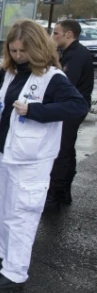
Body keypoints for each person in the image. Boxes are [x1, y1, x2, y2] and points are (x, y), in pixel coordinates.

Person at [0, 20, 88, 289]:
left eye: (23, 51)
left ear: (36, 47)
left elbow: (78, 107)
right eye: (14, 51)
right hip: (8, 152)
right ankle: (4, 255)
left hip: (32, 160)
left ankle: (15, 272)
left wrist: (36, 111)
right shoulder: (12, 72)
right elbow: (5, 104)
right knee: (2, 209)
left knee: (21, 214)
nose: (18, 56)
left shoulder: (53, 77)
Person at [46, 20, 94, 210]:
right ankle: (63, 192)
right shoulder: (73, 52)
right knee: (67, 149)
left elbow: (66, 84)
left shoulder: (75, 55)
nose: (53, 36)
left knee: (62, 150)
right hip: (74, 108)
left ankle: (55, 195)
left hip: (70, 110)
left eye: (56, 33)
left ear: (68, 34)